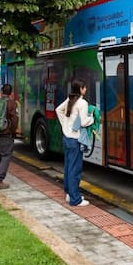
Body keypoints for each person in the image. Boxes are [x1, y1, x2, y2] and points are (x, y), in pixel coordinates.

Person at [55, 79, 94, 207]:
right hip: (75, 140)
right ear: (81, 89)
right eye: (85, 88)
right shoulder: (82, 103)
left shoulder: (70, 100)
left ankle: (69, 193)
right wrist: (92, 119)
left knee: (68, 168)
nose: (86, 90)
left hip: (67, 138)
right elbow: (83, 122)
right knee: (75, 170)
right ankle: (75, 199)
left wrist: (65, 126)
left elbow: (58, 110)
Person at [0, 84, 19, 189]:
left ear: (1, 92)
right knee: (5, 156)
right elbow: (14, 119)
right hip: (5, 134)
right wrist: (12, 131)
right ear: (11, 93)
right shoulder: (12, 103)